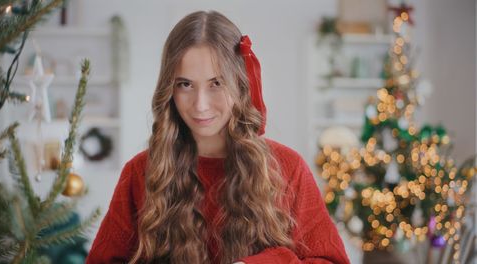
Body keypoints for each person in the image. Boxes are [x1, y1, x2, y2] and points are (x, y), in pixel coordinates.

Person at [86, 10, 350, 264]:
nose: (200, 105)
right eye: (185, 84)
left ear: (240, 83)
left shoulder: (287, 168)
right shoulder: (141, 172)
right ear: (169, 90)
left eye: (216, 83)